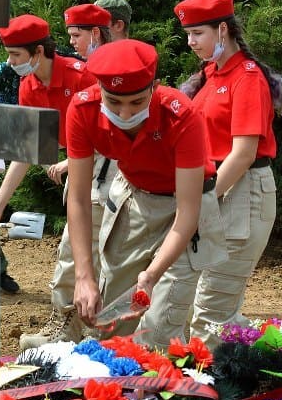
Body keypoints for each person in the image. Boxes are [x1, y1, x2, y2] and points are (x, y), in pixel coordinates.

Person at [66, 39, 226, 349]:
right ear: (99, 91)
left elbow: (187, 214)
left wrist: (151, 275)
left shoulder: (180, 115)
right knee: (111, 324)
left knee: (159, 332)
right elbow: (78, 199)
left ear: (153, 88)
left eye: (137, 102)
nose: (125, 114)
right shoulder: (83, 109)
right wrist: (84, 276)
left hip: (184, 210)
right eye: (114, 103)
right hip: (136, 199)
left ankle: (160, 392)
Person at [174, 0, 282, 345]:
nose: (191, 42)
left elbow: (243, 153)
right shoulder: (211, 75)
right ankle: (270, 356)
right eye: (188, 35)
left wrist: (202, 201)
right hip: (219, 190)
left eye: (198, 34)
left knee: (211, 315)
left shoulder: (247, 78)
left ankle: (218, 394)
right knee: (209, 309)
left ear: (223, 30)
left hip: (241, 194)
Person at [0, 13, 99, 346]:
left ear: (38, 52)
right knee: (72, 248)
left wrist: (70, 159)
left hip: (105, 170)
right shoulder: (28, 86)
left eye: (15, 56)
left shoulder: (82, 76)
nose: (9, 63)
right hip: (78, 172)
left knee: (96, 250)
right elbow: (25, 152)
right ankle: (64, 327)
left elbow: (106, 133)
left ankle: (94, 332)